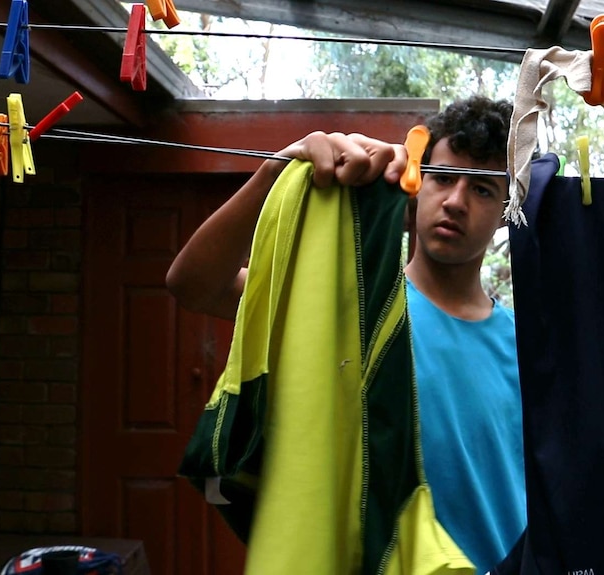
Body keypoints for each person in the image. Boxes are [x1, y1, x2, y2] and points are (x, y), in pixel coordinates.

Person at [166, 95, 525, 574]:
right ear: (418, 181)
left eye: (482, 189)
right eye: (442, 177)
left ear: (507, 210)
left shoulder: (527, 347)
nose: (456, 201)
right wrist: (277, 172)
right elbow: (191, 284)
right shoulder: (355, 306)